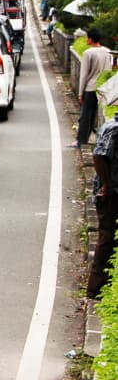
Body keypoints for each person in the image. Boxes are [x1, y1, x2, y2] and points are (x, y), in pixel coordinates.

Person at [87, 112, 118, 299]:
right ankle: (96, 287)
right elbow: (99, 157)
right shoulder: (114, 130)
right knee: (107, 236)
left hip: (110, 190)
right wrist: (107, 186)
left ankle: (102, 284)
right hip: (109, 193)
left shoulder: (109, 125)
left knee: (108, 236)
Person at [70, 28, 113, 149]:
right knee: (94, 114)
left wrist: (80, 93)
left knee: (85, 115)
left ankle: (81, 140)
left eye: (87, 37)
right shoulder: (107, 51)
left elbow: (83, 75)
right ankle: (92, 138)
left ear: (90, 39)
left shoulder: (88, 53)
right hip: (103, 88)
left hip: (90, 87)